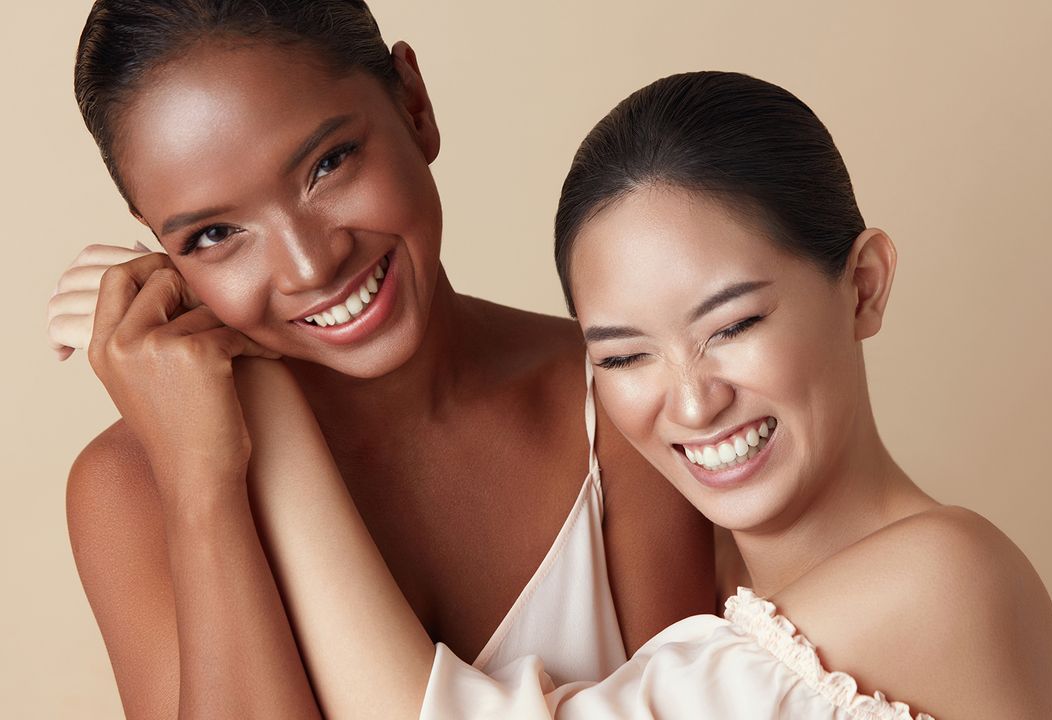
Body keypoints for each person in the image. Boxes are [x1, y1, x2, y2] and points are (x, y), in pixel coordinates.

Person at [197, 71, 1052, 719]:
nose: (690, 404)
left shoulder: (945, 577)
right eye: (623, 358)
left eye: (731, 326)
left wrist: (256, 384)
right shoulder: (715, 600)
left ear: (865, 287)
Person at [47, 2, 715, 717]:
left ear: (414, 104)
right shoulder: (130, 487)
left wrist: (262, 402)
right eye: (214, 234)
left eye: (327, 164)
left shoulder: (621, 402)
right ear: (161, 245)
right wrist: (204, 488)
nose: (308, 265)